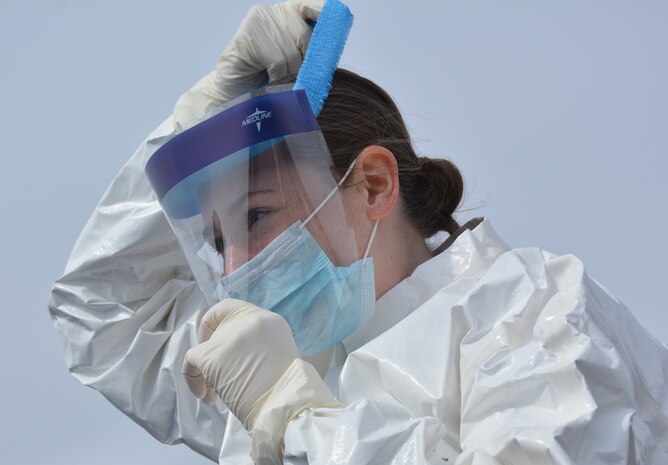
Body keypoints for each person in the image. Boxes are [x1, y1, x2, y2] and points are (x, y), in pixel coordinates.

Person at [48, 1, 668, 464]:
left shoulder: (531, 309)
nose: (235, 268)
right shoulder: (290, 359)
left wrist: (295, 419)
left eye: (256, 217)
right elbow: (101, 313)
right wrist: (202, 110)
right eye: (216, 242)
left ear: (372, 184)